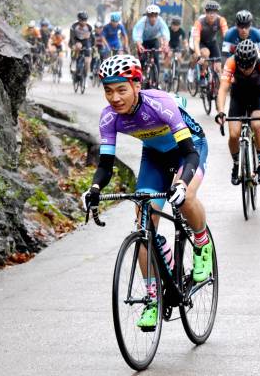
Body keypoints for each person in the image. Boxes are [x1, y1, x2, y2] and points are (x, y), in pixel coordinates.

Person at [83, 54, 212, 329]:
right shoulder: (109, 118)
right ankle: (153, 299)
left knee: (185, 196)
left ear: (136, 86)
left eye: (121, 89)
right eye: (108, 90)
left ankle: (201, 243)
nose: (114, 98)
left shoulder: (160, 104)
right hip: (154, 156)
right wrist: (94, 189)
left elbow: (189, 154)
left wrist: (180, 183)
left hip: (189, 150)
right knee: (143, 227)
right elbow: (105, 166)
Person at [215, 39, 260, 185]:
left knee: (257, 125)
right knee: (234, 134)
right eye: (242, 67)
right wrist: (221, 111)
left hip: (258, 95)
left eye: (249, 67)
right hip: (239, 96)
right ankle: (236, 164)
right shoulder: (231, 62)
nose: (245, 70)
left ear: (255, 60)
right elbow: (223, 89)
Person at [192, 0, 228, 86]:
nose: (212, 15)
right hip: (202, 43)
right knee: (205, 53)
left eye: (214, 12)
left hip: (213, 43)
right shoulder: (199, 22)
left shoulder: (221, 20)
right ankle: (202, 74)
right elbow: (196, 41)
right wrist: (199, 56)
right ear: (205, 12)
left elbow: (227, 36)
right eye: (209, 12)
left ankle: (215, 90)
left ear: (217, 13)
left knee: (219, 68)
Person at [132, 4, 170, 74]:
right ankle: (142, 74)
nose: (153, 18)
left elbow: (165, 33)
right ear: (147, 16)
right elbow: (138, 34)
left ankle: (156, 79)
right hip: (143, 41)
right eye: (151, 16)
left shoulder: (160, 21)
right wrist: (139, 45)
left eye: (155, 16)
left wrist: (165, 44)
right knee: (142, 58)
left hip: (154, 40)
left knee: (156, 58)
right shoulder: (143, 21)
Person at [69, 11, 93, 76]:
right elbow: (71, 37)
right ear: (79, 19)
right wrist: (73, 45)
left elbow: (91, 38)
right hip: (76, 39)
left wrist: (92, 46)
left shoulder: (89, 27)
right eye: (82, 20)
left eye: (85, 20)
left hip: (85, 41)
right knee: (78, 46)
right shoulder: (74, 26)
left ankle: (86, 76)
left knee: (87, 61)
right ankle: (74, 61)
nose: (83, 22)